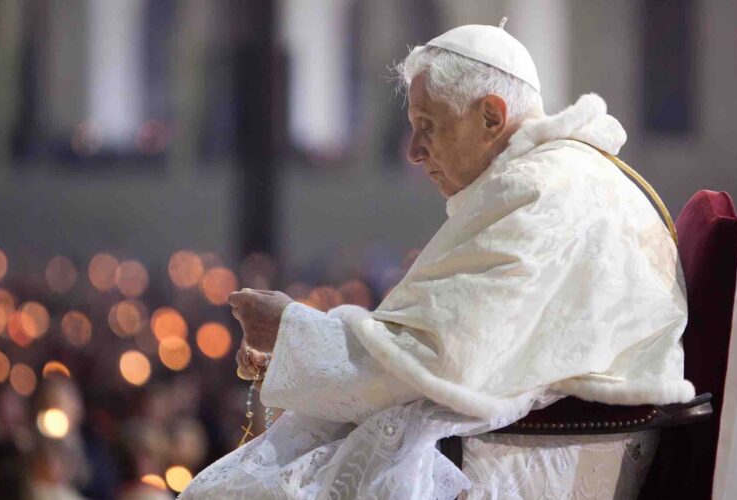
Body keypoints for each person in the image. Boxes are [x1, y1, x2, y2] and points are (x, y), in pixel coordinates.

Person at [179, 20, 693, 499]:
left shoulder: (540, 190)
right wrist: (296, 341)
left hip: (550, 456)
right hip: (549, 439)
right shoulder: (562, 175)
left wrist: (291, 330)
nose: (414, 151)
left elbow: (439, 359)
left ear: (491, 115)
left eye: (427, 125)